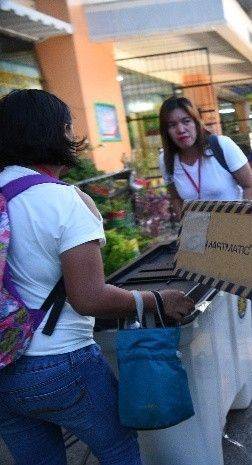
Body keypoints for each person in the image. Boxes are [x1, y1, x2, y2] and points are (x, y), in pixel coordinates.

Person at [0, 89, 194, 465]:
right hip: (61, 363)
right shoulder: (64, 201)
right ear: (54, 133)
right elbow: (88, 297)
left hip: (4, 368)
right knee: (117, 448)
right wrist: (155, 300)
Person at [157, 96, 252, 382]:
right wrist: (190, 231)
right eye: (172, 125)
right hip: (201, 241)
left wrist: (243, 228)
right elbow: (177, 200)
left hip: (235, 235)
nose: (181, 129)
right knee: (210, 298)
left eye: (185, 121)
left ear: (195, 120)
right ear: (166, 131)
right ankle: (223, 350)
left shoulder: (221, 147)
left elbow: (248, 186)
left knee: (244, 293)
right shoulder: (167, 160)